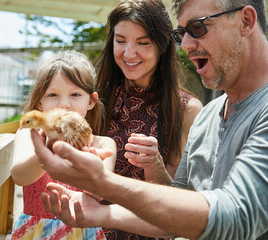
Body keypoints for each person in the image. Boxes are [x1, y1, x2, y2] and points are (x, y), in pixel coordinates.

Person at [33, 0, 268, 239]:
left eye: (197, 28)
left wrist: (103, 183)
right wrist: (103, 214)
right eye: (182, 34)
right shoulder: (209, 114)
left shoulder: (194, 109)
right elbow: (175, 215)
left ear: (246, 21)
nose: (185, 45)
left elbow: (238, 217)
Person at [92, 0, 202, 239]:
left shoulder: (186, 111)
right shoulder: (92, 98)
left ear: (162, 45)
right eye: (120, 41)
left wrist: (155, 166)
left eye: (143, 43)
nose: (129, 54)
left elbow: (180, 203)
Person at [10, 50, 117, 240]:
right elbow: (20, 176)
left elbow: (99, 194)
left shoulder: (103, 144)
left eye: (75, 94)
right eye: (52, 94)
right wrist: (46, 150)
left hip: (82, 231)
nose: (64, 104)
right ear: (40, 102)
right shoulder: (30, 134)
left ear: (91, 101)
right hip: (36, 231)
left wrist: (91, 162)